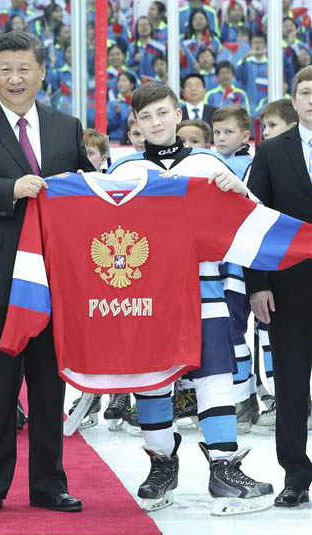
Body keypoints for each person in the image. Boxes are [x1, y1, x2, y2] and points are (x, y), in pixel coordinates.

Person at [0, 31, 93, 515]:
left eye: (24, 68)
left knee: (51, 389)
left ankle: (49, 485)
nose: (15, 78)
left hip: (55, 282)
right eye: (5, 69)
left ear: (42, 71)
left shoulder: (67, 127)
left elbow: (87, 192)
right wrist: (10, 189)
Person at [108, 82, 274, 516]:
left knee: (214, 375)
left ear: (178, 114)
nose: (156, 122)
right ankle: (162, 463)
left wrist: (236, 191)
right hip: (148, 296)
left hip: (206, 289)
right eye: (146, 117)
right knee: (154, 377)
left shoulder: (208, 163)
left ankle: (223, 466)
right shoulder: (122, 172)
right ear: (137, 125)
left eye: (163, 113)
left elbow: (251, 217)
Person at [245, 65, 312, 508]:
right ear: (294, 99)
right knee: (290, 386)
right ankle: (295, 475)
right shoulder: (270, 154)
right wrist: (257, 285)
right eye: (307, 92)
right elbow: (253, 223)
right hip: (289, 291)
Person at [210, 106, 257, 434]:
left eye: (228, 132)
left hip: (239, 262)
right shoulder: (208, 163)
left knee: (235, 330)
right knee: (222, 332)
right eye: (217, 133)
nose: (221, 138)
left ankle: (245, 398)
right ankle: (237, 396)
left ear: (245, 135)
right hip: (216, 259)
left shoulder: (251, 165)